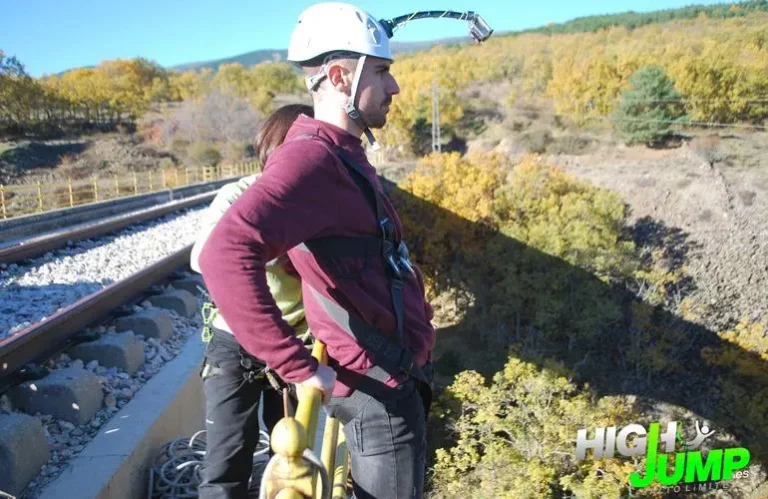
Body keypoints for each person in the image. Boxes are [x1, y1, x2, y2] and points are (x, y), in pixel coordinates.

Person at [199, 3, 437, 497]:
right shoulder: (312, 159)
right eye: (382, 71)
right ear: (339, 77)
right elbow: (225, 252)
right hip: (378, 395)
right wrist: (297, 366)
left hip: (392, 383)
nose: (394, 87)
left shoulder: (340, 153)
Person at [190, 103, 315, 499]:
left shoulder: (321, 202)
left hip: (297, 341)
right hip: (236, 344)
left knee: (295, 459)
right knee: (226, 464)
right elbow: (203, 257)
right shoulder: (240, 195)